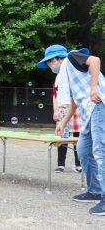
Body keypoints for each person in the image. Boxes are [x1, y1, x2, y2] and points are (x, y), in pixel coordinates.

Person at [40, 46, 105, 215]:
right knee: (83, 150)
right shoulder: (67, 76)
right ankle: (95, 191)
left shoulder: (71, 57)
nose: (49, 67)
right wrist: (63, 122)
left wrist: (93, 88)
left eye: (48, 63)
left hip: (99, 106)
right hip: (89, 113)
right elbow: (75, 102)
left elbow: (95, 60)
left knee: (100, 151)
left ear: (54, 59)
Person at [36, 44, 82, 173]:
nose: (50, 65)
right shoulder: (58, 77)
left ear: (56, 59)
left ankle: (79, 164)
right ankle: (60, 164)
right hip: (63, 110)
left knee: (79, 138)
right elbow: (55, 95)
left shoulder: (72, 72)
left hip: (77, 109)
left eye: (50, 61)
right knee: (62, 137)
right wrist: (56, 110)